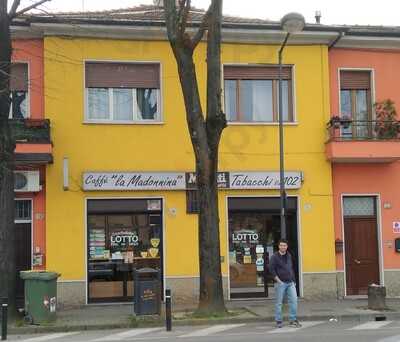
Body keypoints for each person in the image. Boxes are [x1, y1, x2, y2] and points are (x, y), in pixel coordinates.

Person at [269, 239, 301, 328]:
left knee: (294, 301)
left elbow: (291, 268)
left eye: (285, 245)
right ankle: (279, 321)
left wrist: (294, 281)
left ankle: (293, 320)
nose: (283, 247)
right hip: (281, 283)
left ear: (287, 247)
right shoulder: (274, 257)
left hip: (290, 282)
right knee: (279, 303)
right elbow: (271, 270)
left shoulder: (289, 255)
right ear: (279, 246)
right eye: (281, 245)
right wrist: (279, 281)